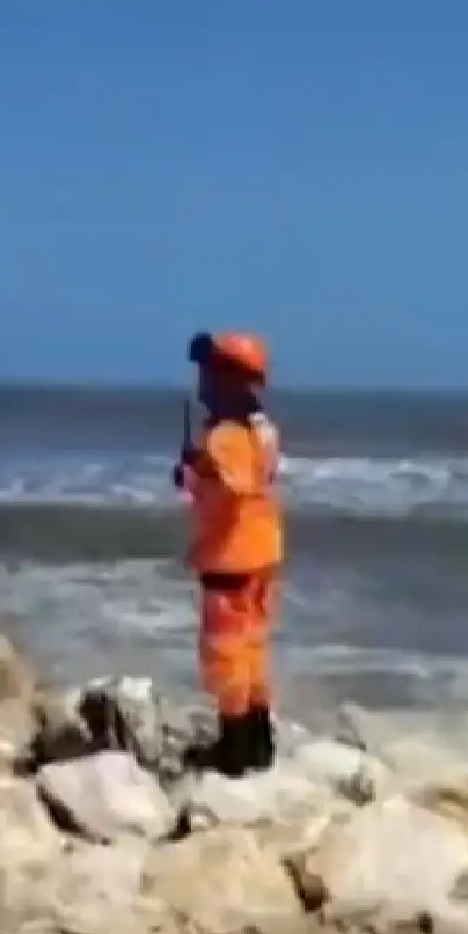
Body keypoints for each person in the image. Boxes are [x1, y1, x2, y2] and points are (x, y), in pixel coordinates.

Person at [176, 330, 284, 776]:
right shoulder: (264, 429)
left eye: (209, 373)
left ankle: (235, 753)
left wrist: (202, 466)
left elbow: (234, 482)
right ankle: (259, 743)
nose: (201, 383)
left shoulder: (226, 434)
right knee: (252, 650)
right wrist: (195, 473)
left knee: (225, 655)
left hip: (231, 556)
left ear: (229, 380)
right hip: (260, 550)